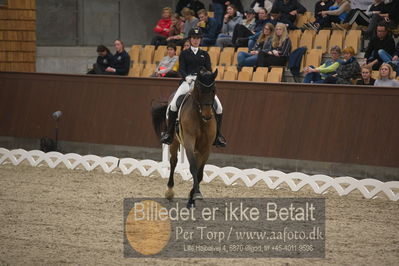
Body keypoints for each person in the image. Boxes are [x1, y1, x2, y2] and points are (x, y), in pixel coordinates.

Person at [161, 28, 227, 147]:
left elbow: (209, 70)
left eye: (198, 38)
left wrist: (204, 78)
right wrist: (186, 77)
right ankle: (169, 133)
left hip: (201, 83)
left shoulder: (204, 54)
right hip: (187, 82)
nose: (196, 40)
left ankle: (218, 135)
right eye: (194, 38)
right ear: (190, 39)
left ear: (200, 40)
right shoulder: (184, 54)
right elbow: (181, 69)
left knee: (219, 108)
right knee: (174, 104)